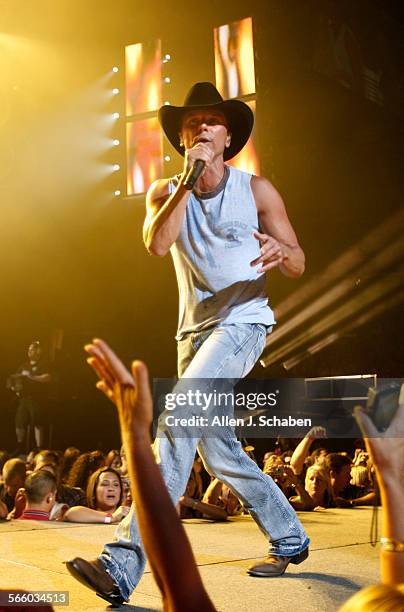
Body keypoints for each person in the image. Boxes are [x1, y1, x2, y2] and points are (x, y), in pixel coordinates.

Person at [66, 82, 309, 604]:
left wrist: (278, 249)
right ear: (182, 138)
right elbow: (157, 244)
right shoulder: (163, 191)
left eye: (212, 121)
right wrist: (187, 180)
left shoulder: (257, 190)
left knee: (178, 420)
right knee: (217, 449)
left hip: (244, 324)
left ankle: (121, 563)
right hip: (193, 333)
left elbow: (298, 260)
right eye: (191, 122)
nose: (202, 127)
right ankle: (289, 537)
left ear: (228, 136)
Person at [8, 341, 51, 452]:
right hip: (24, 399)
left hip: (37, 399)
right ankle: (20, 446)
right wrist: (14, 387)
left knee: (37, 423)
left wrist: (31, 376)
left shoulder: (44, 364)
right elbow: (16, 378)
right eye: (28, 349)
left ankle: (39, 448)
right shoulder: (24, 365)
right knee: (19, 422)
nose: (29, 351)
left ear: (38, 351)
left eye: (32, 349)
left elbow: (47, 378)